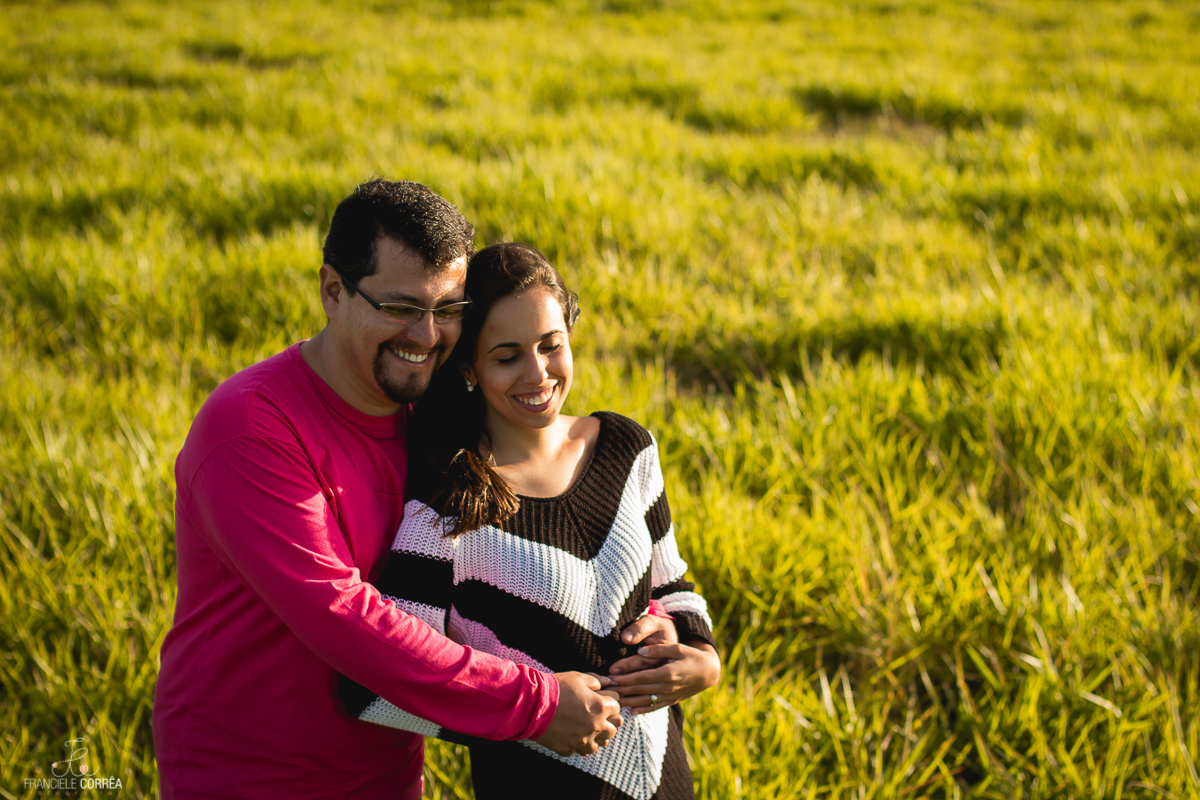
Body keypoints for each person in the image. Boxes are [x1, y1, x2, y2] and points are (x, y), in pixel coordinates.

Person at [152, 180, 676, 799]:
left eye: (447, 309)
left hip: (388, 767)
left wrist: (654, 622)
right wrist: (534, 706)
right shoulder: (250, 428)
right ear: (332, 291)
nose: (426, 336)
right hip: (250, 775)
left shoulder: (431, 419)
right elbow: (342, 615)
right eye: (400, 308)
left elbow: (541, 543)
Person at [339, 242, 722, 799]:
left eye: (551, 346)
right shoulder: (450, 505)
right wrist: (525, 714)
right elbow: (375, 688)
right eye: (508, 355)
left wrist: (702, 658)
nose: (537, 373)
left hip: (668, 781)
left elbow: (673, 587)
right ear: (469, 366)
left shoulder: (628, 448)